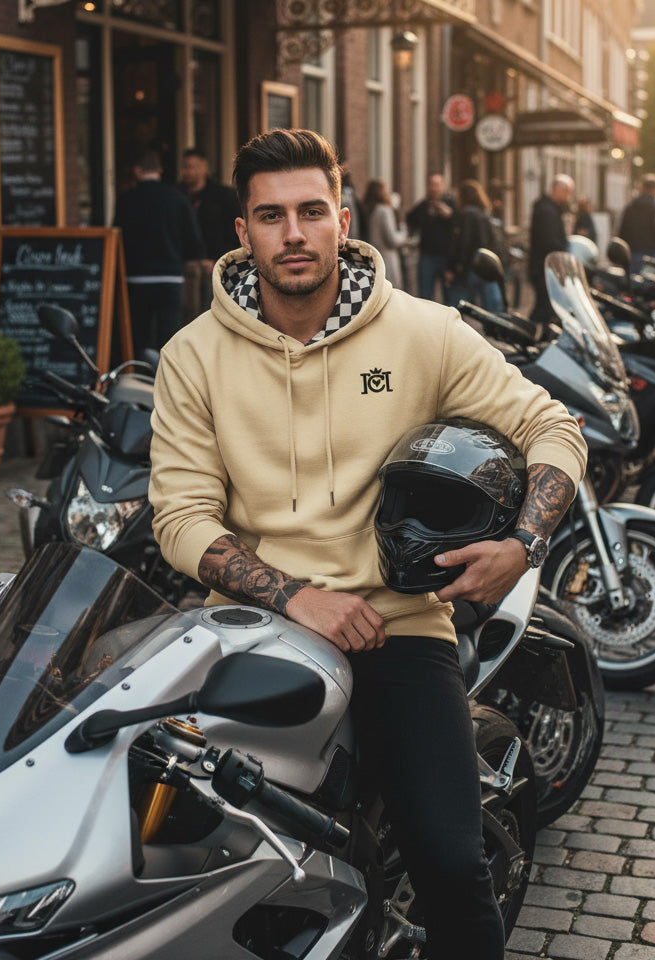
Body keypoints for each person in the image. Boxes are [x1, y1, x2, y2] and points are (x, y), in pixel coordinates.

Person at [148, 129, 587, 959]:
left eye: (312, 211)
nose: (295, 233)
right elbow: (180, 517)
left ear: (342, 220)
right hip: (247, 629)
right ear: (241, 233)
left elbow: (551, 425)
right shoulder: (192, 357)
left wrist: (524, 545)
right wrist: (296, 595)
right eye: (271, 216)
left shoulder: (422, 333)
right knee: (185, 856)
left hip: (397, 630)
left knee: (453, 862)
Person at [113, 149, 204, 354]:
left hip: (136, 278)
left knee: (138, 337)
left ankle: (138, 378)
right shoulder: (177, 199)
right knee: (169, 338)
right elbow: (193, 242)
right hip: (170, 277)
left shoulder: (126, 200)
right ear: (160, 170)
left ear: (137, 171)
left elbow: (117, 241)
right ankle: (167, 381)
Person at [177, 147, 242, 311]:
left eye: (194, 166)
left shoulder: (224, 196)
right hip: (183, 267)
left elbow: (234, 230)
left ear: (204, 167)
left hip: (216, 265)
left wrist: (217, 260)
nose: (189, 171)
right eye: (186, 167)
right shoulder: (176, 196)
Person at [444, 178, 503, 312]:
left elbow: (464, 243)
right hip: (485, 266)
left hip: (470, 267)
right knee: (490, 308)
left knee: (457, 304)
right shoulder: (484, 214)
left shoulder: (467, 214)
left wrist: (454, 267)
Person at [527, 173, 575, 324]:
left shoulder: (548, 209)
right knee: (544, 308)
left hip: (543, 265)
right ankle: (529, 336)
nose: (567, 197)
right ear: (557, 190)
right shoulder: (548, 211)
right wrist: (562, 253)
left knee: (545, 307)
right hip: (544, 266)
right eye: (566, 192)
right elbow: (549, 241)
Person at [406, 172, 456, 301]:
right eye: (432, 185)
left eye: (437, 185)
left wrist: (450, 216)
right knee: (425, 294)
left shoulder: (451, 203)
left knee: (450, 296)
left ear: (443, 186)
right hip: (427, 255)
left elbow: (459, 225)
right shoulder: (423, 205)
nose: (434, 188)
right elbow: (410, 219)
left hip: (447, 256)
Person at [362, 178, 407, 288]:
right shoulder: (384, 210)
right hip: (387, 259)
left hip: (372, 258)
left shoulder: (367, 210)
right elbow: (392, 239)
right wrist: (403, 233)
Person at [617, 173, 655, 273]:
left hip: (633, 255)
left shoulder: (630, 208)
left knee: (631, 286)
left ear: (641, 187)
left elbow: (622, 233)